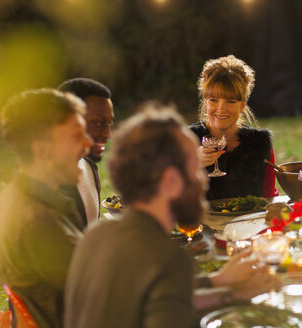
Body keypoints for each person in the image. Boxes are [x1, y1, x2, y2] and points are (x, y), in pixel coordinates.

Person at [64, 104, 276, 328]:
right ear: (171, 180)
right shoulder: (166, 257)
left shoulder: (96, 235)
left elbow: (154, 291)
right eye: (195, 168)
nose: (203, 181)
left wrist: (218, 282)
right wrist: (241, 301)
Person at [0, 89, 93, 328]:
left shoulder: (15, 195)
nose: (88, 143)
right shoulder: (40, 223)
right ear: (42, 150)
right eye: (76, 135)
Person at [189, 55, 279, 200]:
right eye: (214, 100)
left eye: (230, 101)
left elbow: (268, 196)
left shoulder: (260, 143)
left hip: (250, 222)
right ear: (205, 101)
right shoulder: (187, 141)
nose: (221, 109)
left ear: (242, 105)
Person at [58, 78, 114, 226]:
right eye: (98, 123)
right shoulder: (50, 185)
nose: (108, 134)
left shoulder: (88, 166)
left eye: (109, 123)